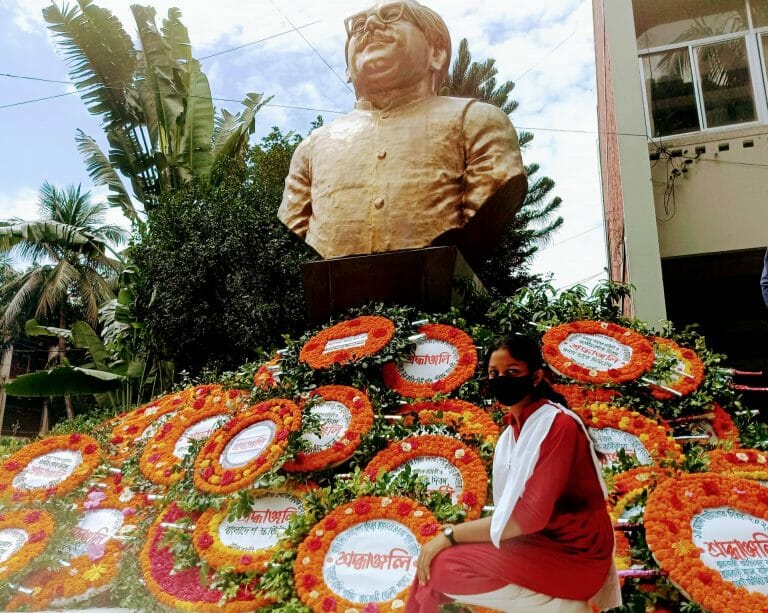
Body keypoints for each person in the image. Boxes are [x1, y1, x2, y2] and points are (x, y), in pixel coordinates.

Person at [278, 0, 528, 265]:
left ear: (437, 54)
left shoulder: (477, 119)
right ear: (348, 70)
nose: (371, 25)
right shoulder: (312, 147)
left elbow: (495, 192)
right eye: (358, 24)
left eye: (393, 15)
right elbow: (292, 227)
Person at [406, 335, 621, 612]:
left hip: (575, 557)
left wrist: (448, 535)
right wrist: (446, 540)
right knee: (438, 564)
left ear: (535, 377)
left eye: (512, 372)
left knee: (444, 566)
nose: (501, 379)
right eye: (494, 373)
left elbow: (529, 517)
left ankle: (560, 604)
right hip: (536, 546)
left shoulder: (558, 426)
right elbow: (510, 516)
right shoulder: (513, 432)